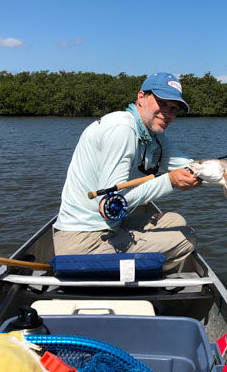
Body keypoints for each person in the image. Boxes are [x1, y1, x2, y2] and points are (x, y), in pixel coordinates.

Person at [53, 72, 202, 270]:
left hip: (111, 227)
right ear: (141, 97)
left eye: (174, 109)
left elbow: (192, 168)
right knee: (187, 239)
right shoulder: (122, 128)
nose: (167, 113)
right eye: (162, 103)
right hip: (83, 238)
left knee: (175, 220)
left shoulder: (153, 134)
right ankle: (136, 280)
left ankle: (133, 268)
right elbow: (110, 204)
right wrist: (169, 182)